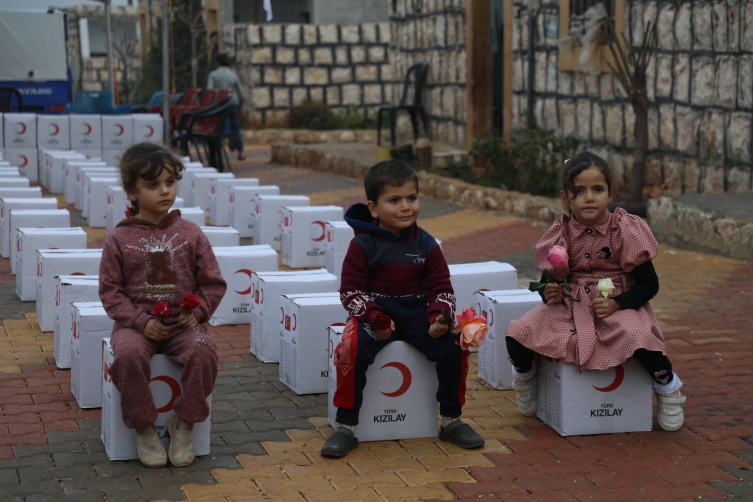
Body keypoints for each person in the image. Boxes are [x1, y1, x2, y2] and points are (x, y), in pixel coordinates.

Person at [505, 151, 686, 431]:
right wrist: (548, 292)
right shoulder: (560, 234)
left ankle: (667, 387)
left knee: (639, 337)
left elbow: (650, 284)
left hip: (617, 303)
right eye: (580, 191)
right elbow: (547, 280)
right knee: (518, 332)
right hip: (571, 303)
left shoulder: (624, 229)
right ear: (566, 198)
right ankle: (525, 378)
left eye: (597, 189)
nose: (589, 198)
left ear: (610, 194)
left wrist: (618, 304)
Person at [321, 160, 485, 458]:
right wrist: (374, 316)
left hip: (416, 316)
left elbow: (442, 288)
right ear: (373, 208)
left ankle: (451, 420)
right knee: (350, 349)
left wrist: (439, 318)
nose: (406, 207)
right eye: (394, 200)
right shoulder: (362, 245)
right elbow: (350, 291)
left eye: (412, 198)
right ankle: (346, 426)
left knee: (454, 346)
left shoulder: (427, 245)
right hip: (375, 317)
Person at [99, 143, 227, 468]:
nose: (164, 191)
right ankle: (143, 428)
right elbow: (110, 291)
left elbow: (213, 283)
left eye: (169, 182)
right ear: (131, 191)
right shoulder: (118, 240)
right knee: (126, 357)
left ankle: (184, 425)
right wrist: (139, 322)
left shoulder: (191, 233)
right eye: (152, 185)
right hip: (136, 327)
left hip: (182, 326)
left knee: (204, 352)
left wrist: (197, 313)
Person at [206, 53, 246, 160]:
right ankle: (241, 153)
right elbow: (242, 95)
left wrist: (211, 107)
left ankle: (226, 138)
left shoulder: (213, 75)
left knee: (222, 128)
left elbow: (210, 92)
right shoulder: (233, 75)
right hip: (234, 103)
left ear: (218, 63)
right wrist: (239, 106)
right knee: (236, 128)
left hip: (221, 105)